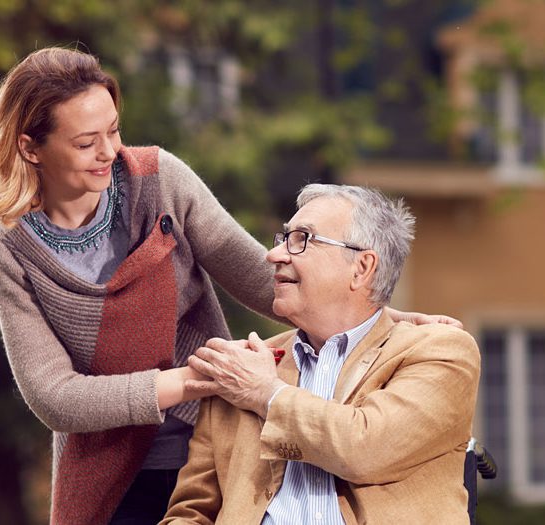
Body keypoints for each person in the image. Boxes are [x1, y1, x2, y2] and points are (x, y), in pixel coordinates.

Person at [0, 47, 458, 525]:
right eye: (86, 143)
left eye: (114, 129)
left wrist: (384, 319)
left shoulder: (160, 181)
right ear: (30, 147)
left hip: (205, 445)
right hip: (107, 466)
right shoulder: (10, 249)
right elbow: (55, 397)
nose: (109, 152)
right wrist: (199, 379)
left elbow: (265, 280)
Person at [161, 184, 481, 525]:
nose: (275, 255)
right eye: (283, 239)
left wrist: (265, 394)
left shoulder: (439, 352)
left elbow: (365, 449)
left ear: (361, 268)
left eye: (301, 239)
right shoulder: (241, 367)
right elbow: (192, 512)